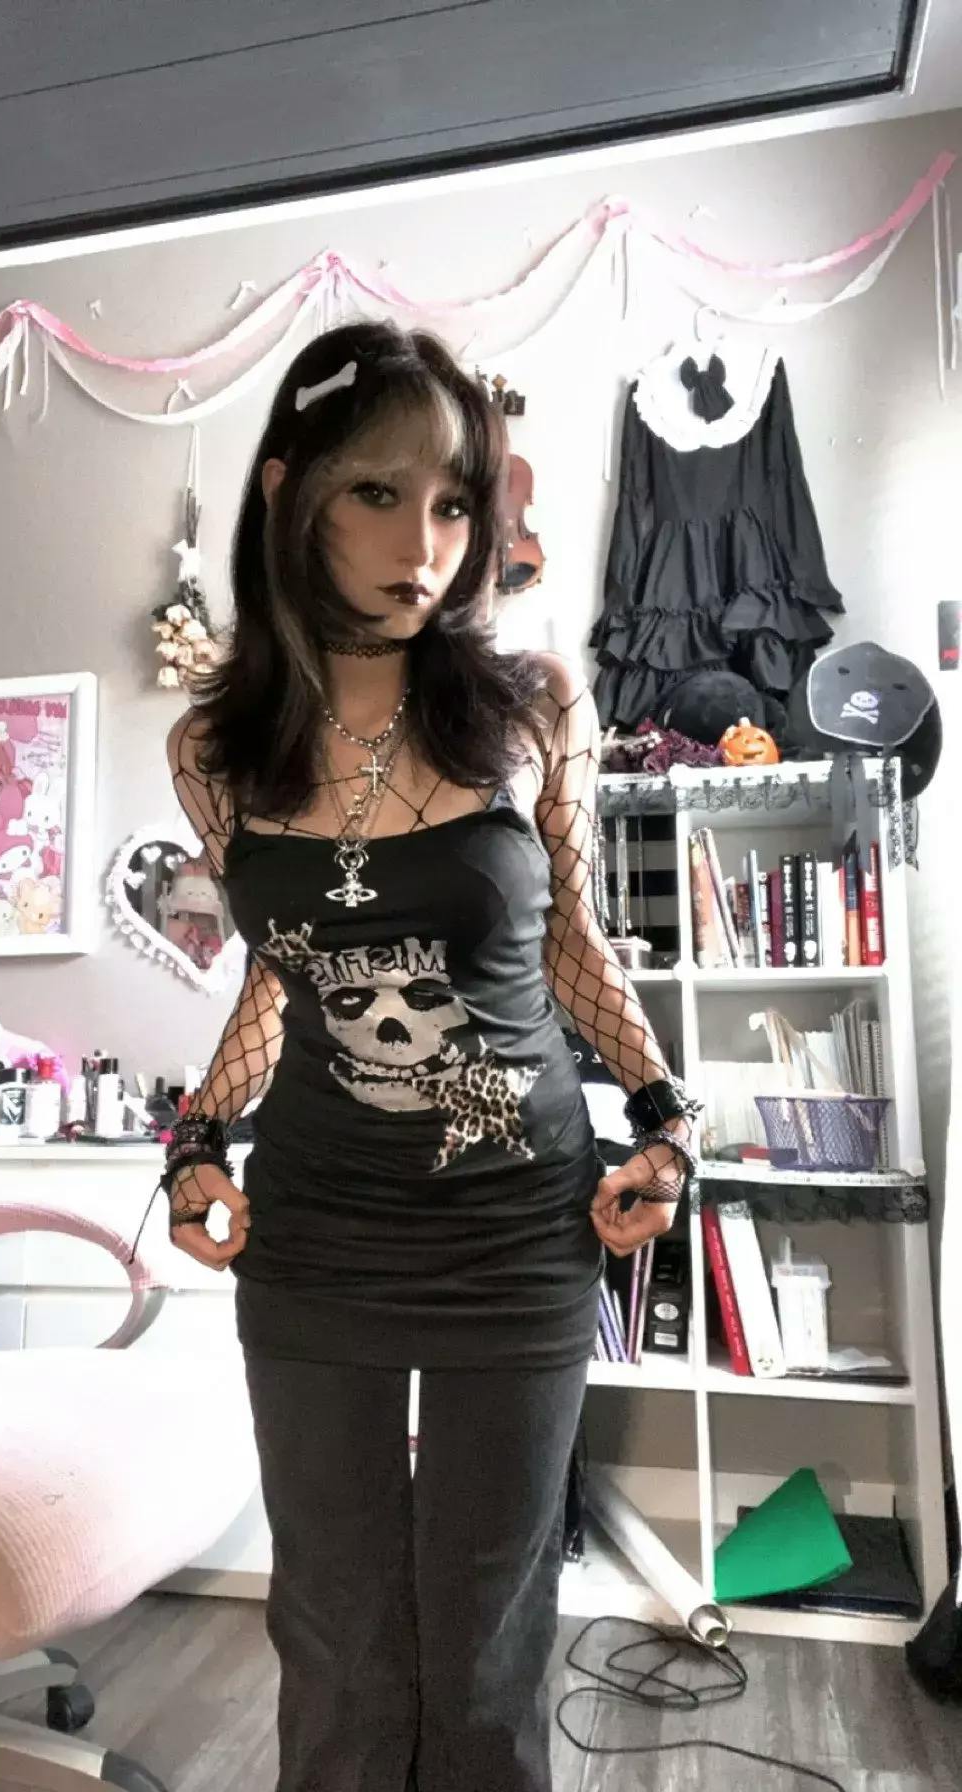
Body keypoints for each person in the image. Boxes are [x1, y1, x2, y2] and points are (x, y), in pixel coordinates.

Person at [162, 319, 699, 1792]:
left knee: (486, 1645)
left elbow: (574, 943)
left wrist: (664, 1118)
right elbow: (279, 978)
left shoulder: (532, 707)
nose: (425, 546)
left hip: (519, 1226)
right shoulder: (216, 749)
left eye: (455, 503)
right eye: (378, 494)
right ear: (290, 493)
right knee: (333, 1638)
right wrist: (197, 1143)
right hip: (320, 1229)